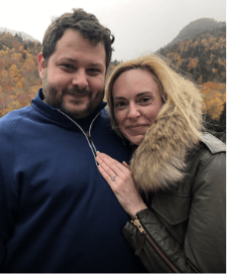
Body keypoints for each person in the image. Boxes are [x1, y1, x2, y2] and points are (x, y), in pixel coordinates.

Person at [0, 9, 148, 273]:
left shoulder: (125, 129)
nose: (81, 81)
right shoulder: (7, 139)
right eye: (68, 66)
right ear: (43, 64)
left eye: (93, 70)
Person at [96, 54, 226, 274]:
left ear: (167, 101)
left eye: (144, 100)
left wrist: (137, 209)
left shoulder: (211, 164)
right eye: (121, 104)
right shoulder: (126, 150)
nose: (132, 113)